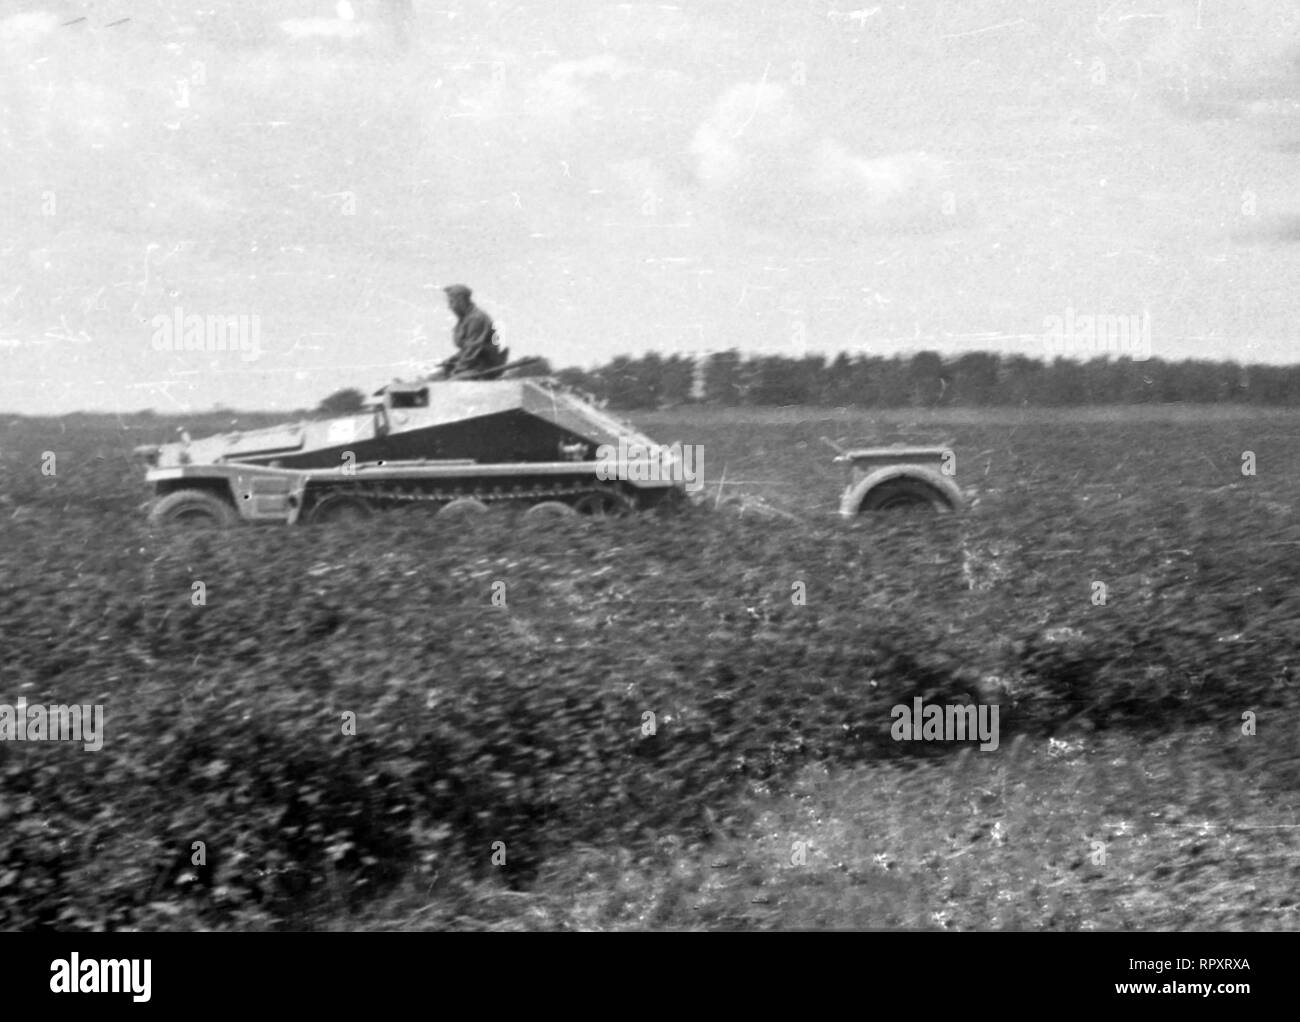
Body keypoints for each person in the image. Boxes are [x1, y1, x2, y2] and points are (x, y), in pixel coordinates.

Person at [439, 284, 506, 378]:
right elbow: (467, 349)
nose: (450, 307)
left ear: (461, 300)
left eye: (452, 302)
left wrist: (457, 370)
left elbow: (473, 348)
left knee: (452, 382)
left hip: (483, 367)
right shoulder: (466, 319)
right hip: (473, 363)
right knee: (434, 378)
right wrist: (453, 360)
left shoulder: (476, 318)